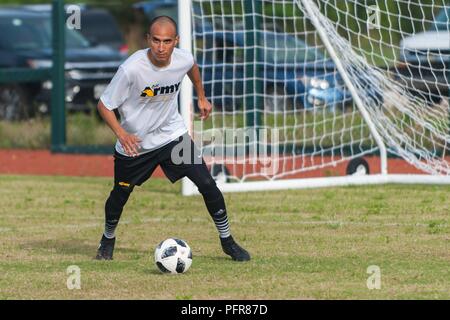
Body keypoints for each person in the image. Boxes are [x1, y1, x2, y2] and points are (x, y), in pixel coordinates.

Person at [95, 16, 250, 262]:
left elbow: (192, 68)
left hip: (172, 137)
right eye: (156, 40)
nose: (161, 47)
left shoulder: (182, 58)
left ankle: (228, 242)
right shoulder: (131, 68)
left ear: (175, 41)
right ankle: (107, 239)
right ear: (148, 40)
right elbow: (104, 105)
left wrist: (201, 96)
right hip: (137, 144)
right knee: (120, 195)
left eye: (167, 41)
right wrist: (122, 134)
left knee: (208, 184)